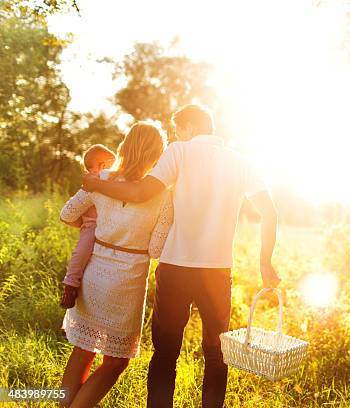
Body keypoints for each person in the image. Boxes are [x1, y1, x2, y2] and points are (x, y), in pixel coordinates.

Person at [82, 104, 280, 408]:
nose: (177, 137)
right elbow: (269, 211)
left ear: (188, 128)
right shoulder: (241, 162)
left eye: (178, 131)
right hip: (217, 272)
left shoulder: (179, 151)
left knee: (165, 353)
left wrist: (97, 184)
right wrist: (264, 261)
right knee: (217, 353)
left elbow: (139, 193)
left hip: (175, 268)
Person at [59, 122, 173, 408]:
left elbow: (66, 214)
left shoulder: (102, 178)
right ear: (157, 154)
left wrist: (92, 229)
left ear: (124, 146)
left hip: (94, 274)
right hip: (128, 281)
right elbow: (156, 249)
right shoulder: (164, 195)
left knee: (83, 350)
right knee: (116, 361)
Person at [60, 144, 116, 309]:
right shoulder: (93, 182)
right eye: (112, 165)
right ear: (103, 166)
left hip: (107, 225)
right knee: (83, 249)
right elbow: (73, 210)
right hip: (92, 225)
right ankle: (70, 284)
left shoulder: (105, 182)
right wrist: (83, 223)